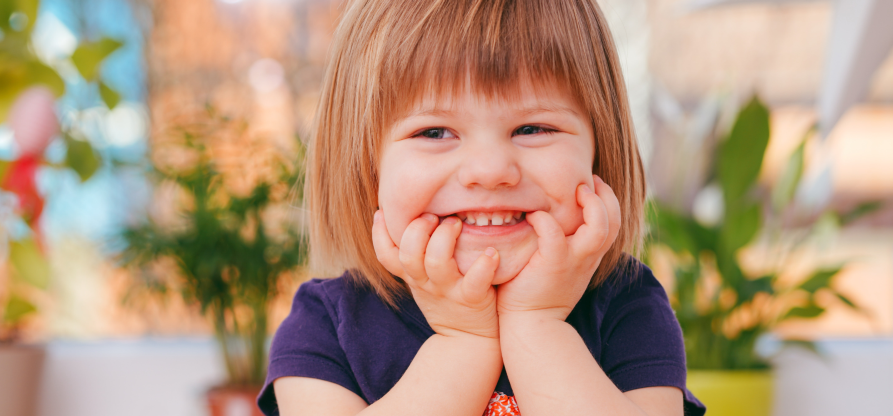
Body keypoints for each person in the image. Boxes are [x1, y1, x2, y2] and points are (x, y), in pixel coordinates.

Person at [257, 0, 705, 415]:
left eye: (533, 127)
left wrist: (537, 326)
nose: (490, 171)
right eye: (434, 132)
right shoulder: (323, 327)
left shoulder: (629, 305)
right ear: (366, 167)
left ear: (599, 153)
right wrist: (463, 342)